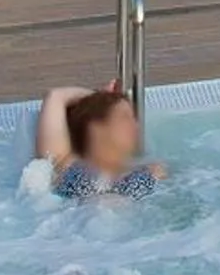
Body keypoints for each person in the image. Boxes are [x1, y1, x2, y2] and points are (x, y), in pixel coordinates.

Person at [34, 84, 166, 201]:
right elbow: (55, 96)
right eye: (124, 118)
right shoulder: (63, 162)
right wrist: (99, 98)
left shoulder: (149, 171)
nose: (135, 125)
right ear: (96, 128)